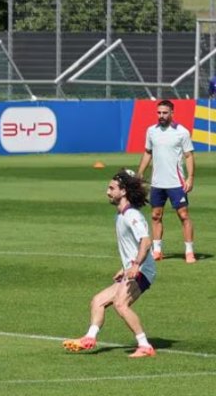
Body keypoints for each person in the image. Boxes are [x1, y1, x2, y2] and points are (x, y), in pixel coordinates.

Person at [63, 170, 157, 358]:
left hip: (143, 270)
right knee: (98, 301)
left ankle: (145, 346)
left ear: (123, 192)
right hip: (132, 269)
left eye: (111, 188)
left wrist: (136, 265)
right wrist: (124, 268)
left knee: (121, 304)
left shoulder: (132, 215)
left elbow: (146, 242)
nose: (107, 192)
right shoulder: (120, 215)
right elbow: (131, 247)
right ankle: (89, 338)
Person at [135, 99, 196, 264]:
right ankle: (157, 251)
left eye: (164, 113)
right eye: (159, 113)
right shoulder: (151, 131)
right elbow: (148, 153)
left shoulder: (181, 132)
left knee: (183, 215)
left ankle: (189, 252)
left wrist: (190, 178)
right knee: (156, 216)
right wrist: (140, 173)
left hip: (176, 183)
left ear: (172, 113)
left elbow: (189, 156)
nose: (161, 116)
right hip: (157, 183)